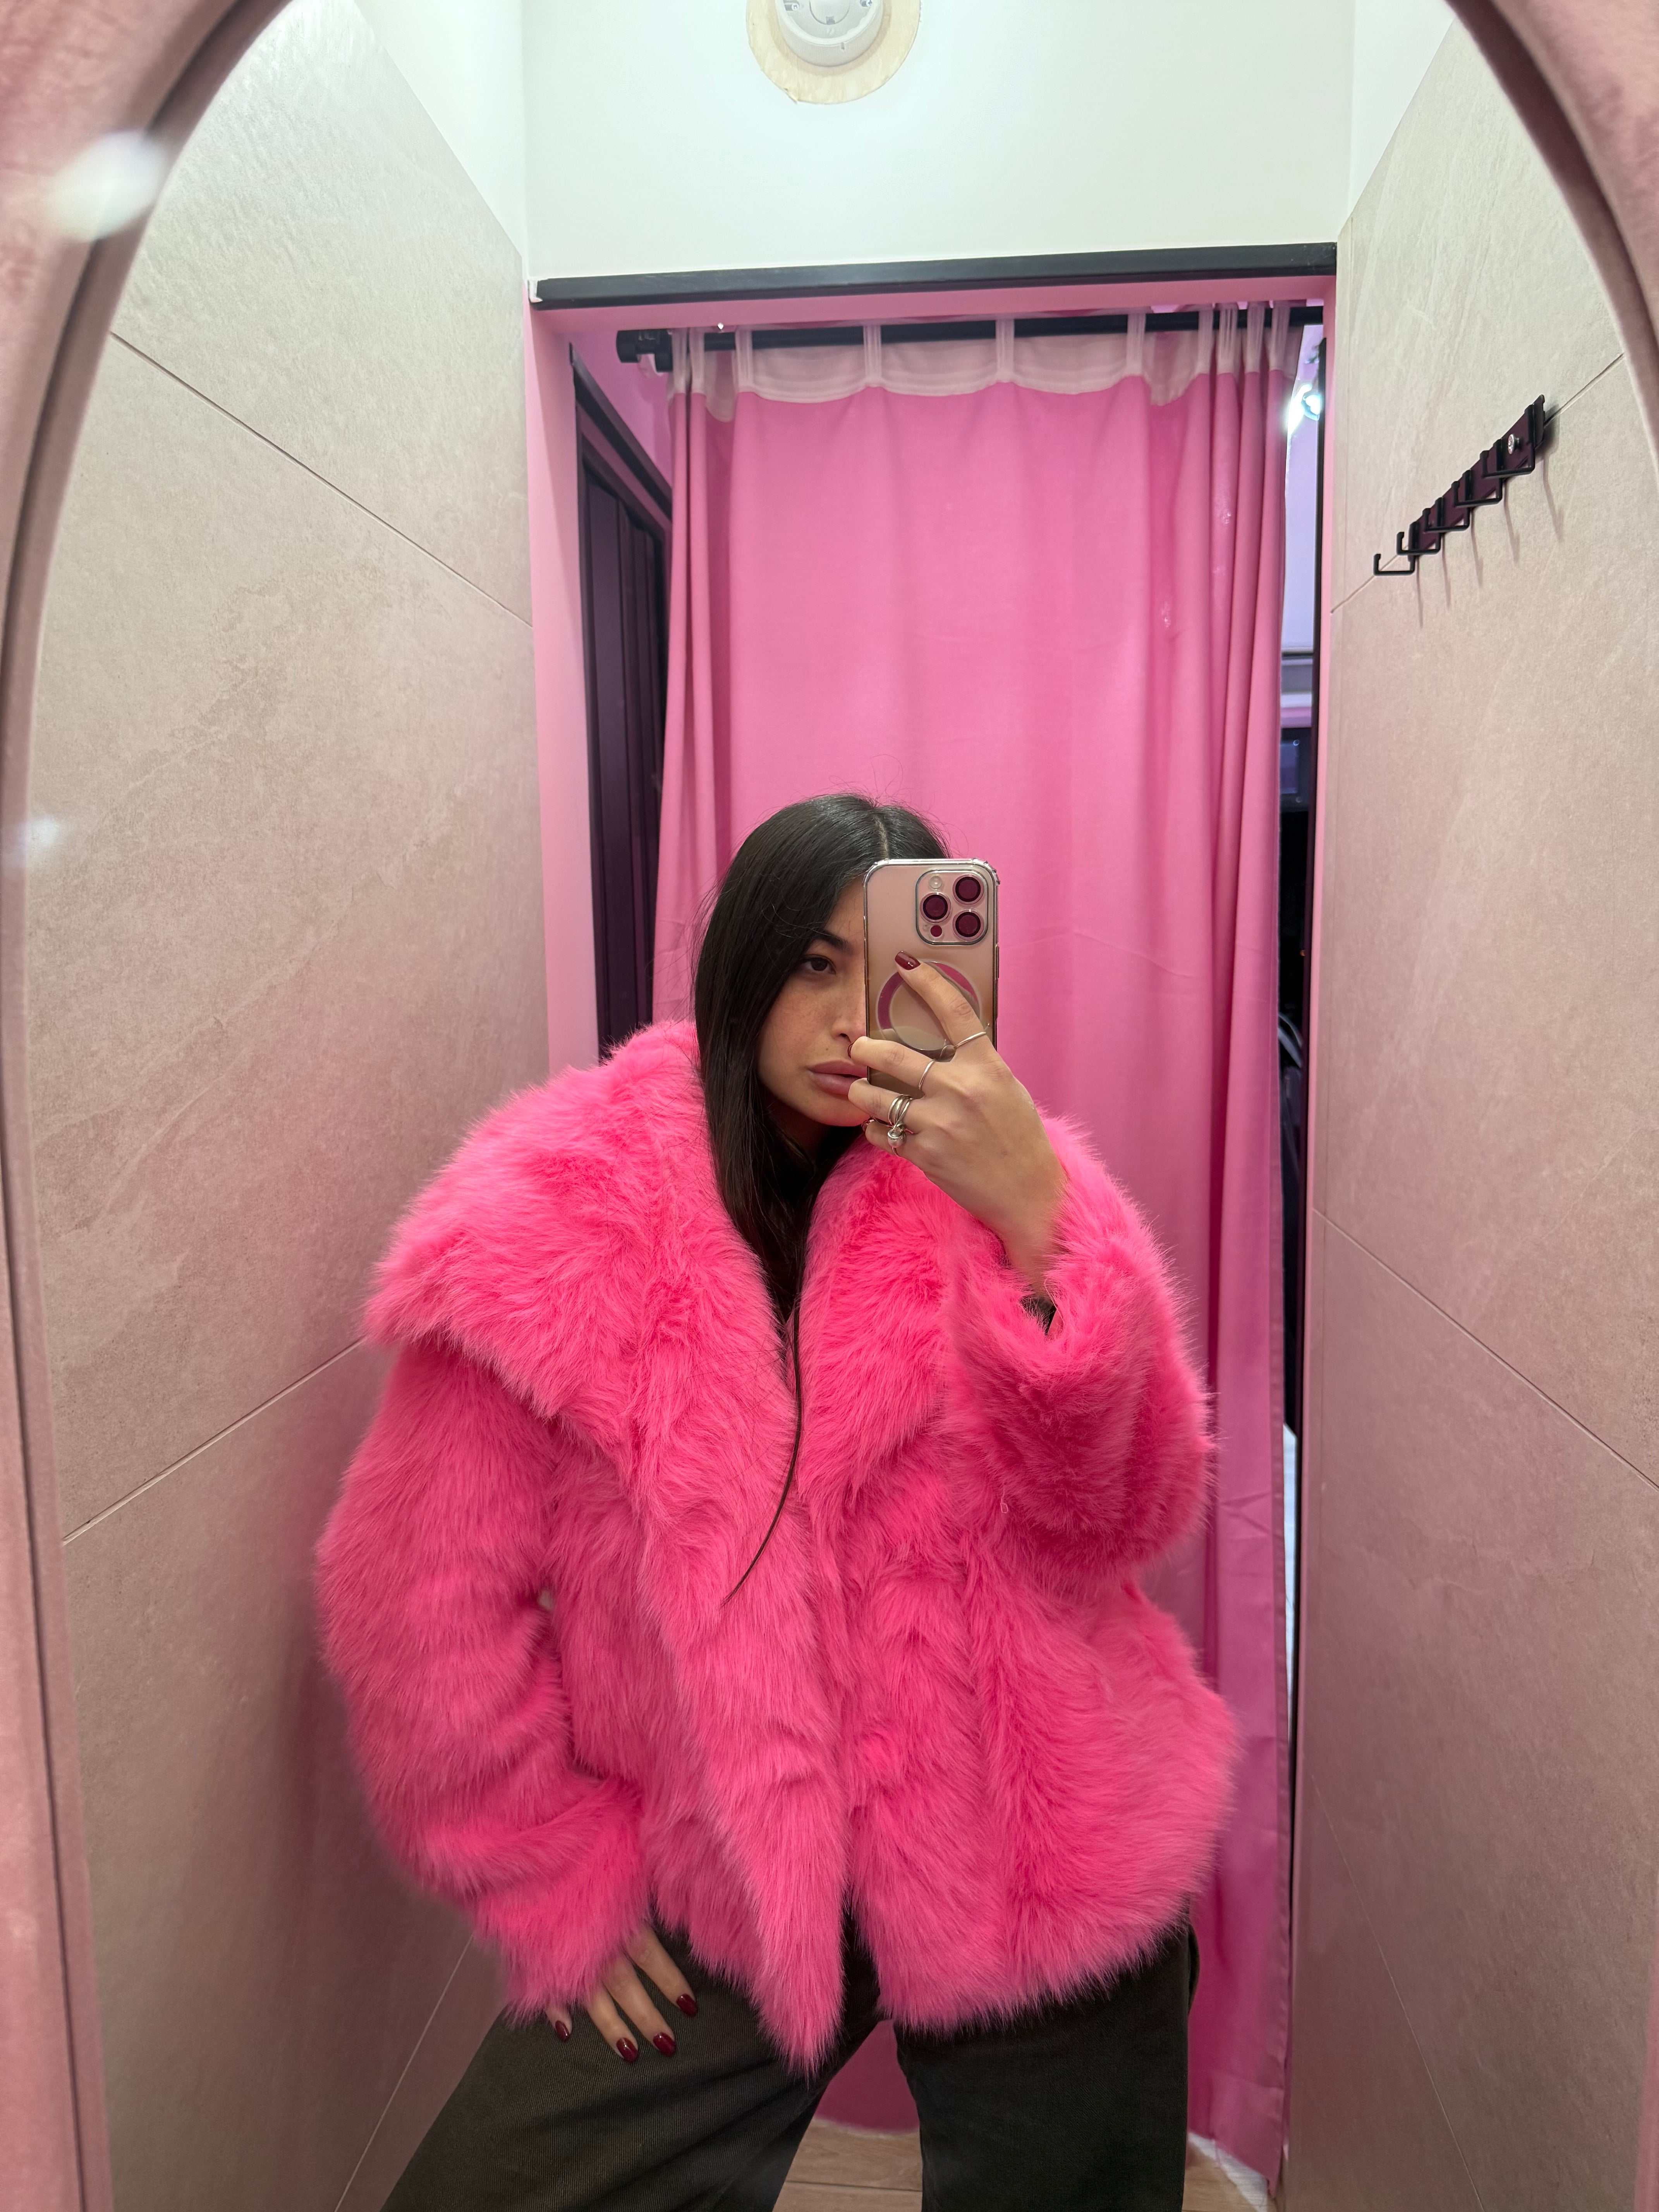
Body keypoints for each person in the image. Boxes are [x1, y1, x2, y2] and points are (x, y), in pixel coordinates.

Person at [316, 792, 1233, 2212]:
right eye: (812, 962)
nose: (852, 1016)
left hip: (1037, 1843)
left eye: (890, 967)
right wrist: (545, 1873)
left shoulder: (1006, 1181)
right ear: (741, 965)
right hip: (723, 1859)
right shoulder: (554, 1213)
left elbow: (1125, 1515)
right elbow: (415, 1593)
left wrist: (1038, 1220)